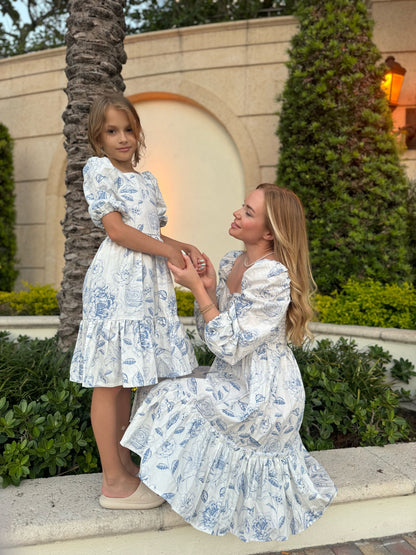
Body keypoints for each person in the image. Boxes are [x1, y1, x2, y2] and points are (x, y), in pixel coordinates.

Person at [121, 183, 336, 542]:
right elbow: (213, 335)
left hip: (264, 393)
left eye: (249, 212)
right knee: (161, 385)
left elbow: (232, 344)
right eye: (243, 206)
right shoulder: (231, 262)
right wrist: (206, 285)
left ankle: (158, 486)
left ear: (269, 232)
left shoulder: (272, 276)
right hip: (232, 377)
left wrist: (199, 290)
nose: (237, 213)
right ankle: (158, 481)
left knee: (176, 398)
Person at [70, 92, 203, 509]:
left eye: (128, 129)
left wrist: (184, 246)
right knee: (109, 380)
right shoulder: (99, 170)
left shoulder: (146, 180)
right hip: (118, 283)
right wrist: (167, 254)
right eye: (112, 131)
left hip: (145, 285)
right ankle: (112, 481)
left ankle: (124, 465)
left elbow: (150, 231)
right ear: (98, 137)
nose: (123, 138)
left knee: (127, 378)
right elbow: (118, 231)